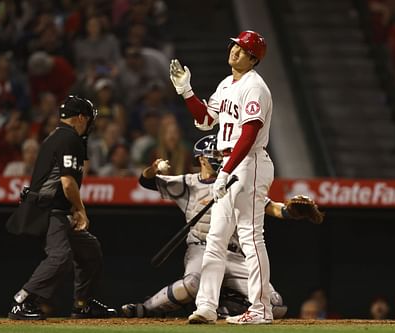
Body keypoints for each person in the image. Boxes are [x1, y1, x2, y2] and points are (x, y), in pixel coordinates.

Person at [120, 135, 287, 319]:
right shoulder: (189, 183)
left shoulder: (237, 181)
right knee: (191, 284)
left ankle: (225, 306)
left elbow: (270, 206)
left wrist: (288, 210)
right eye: (214, 155)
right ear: (201, 158)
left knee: (274, 303)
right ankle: (146, 308)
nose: (219, 159)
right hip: (202, 248)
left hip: (234, 253)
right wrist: (153, 169)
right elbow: (146, 181)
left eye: (221, 155)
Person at [170, 30, 274, 324]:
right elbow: (205, 120)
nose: (235, 51)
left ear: (253, 58)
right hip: (230, 163)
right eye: (234, 46)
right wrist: (187, 92)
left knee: (251, 237)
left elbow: (250, 133)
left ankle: (260, 308)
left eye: (242, 49)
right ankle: (206, 306)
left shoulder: (254, 87)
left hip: (249, 163)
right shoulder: (227, 84)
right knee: (215, 239)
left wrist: (226, 171)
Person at [7, 95, 116, 320]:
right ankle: (24, 300)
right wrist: (81, 210)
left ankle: (82, 304)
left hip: (55, 208)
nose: (89, 125)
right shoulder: (69, 138)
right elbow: (67, 183)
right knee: (60, 256)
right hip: (49, 209)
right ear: (79, 118)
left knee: (90, 250)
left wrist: (73, 209)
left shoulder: (58, 136)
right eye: (88, 119)